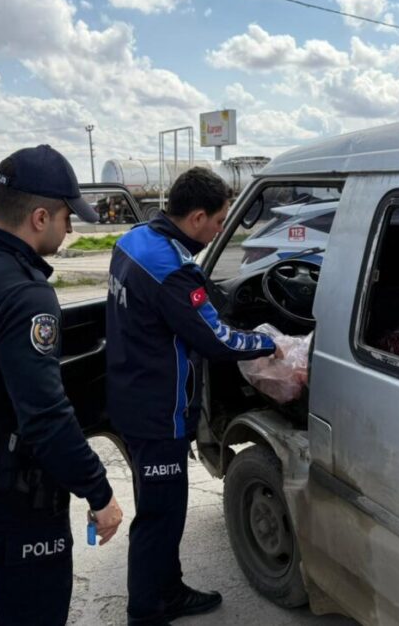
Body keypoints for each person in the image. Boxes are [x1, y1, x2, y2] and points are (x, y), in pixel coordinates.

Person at [0, 144, 123, 625]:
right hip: (12, 496)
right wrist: (99, 493)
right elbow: (45, 418)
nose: (70, 230)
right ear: (39, 217)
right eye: (67, 218)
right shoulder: (26, 295)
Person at [105, 167, 280, 626]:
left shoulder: (134, 240)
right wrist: (270, 343)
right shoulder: (173, 269)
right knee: (159, 517)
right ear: (197, 217)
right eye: (220, 221)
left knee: (160, 508)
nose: (222, 230)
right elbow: (216, 340)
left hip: (129, 393)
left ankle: (169, 589)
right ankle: (147, 611)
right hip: (158, 411)